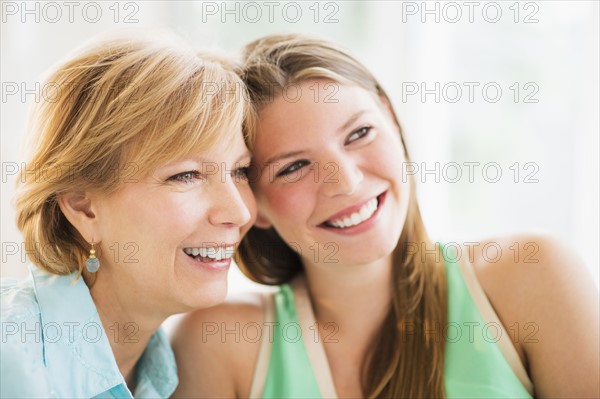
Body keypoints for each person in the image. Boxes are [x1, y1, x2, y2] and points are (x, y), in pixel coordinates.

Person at [172, 34, 599, 398]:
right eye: (293, 167)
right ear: (254, 205)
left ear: (392, 121)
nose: (347, 181)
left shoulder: (531, 278)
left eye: (359, 133)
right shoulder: (221, 342)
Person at [0, 31, 256, 398]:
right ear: (82, 206)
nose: (238, 211)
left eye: (240, 171)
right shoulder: (12, 365)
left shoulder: (159, 371)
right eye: (186, 175)